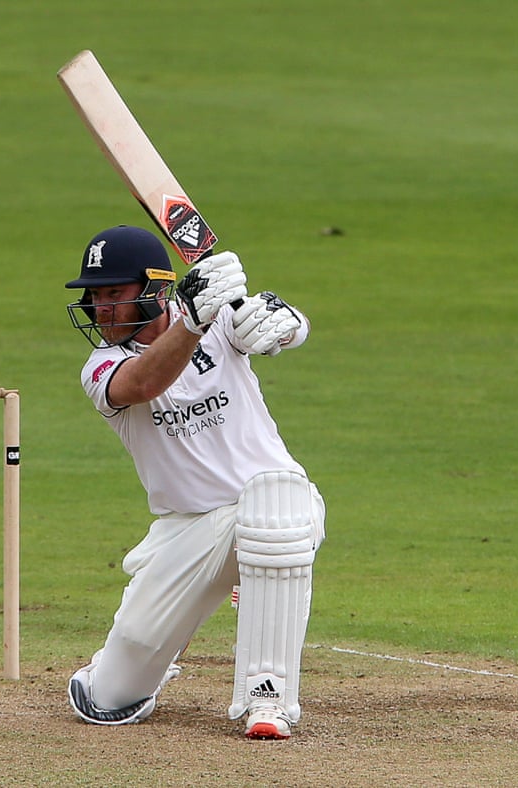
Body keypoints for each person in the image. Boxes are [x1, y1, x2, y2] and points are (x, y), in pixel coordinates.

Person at [63, 225, 326, 740]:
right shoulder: (102, 367)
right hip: (185, 531)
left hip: (275, 506)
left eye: (113, 293)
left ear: (154, 290)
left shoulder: (219, 321)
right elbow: (145, 382)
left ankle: (267, 700)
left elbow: (287, 327)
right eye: (95, 296)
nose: (101, 308)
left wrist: (283, 322)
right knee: (109, 698)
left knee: (274, 508)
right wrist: (191, 322)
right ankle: (134, 666)